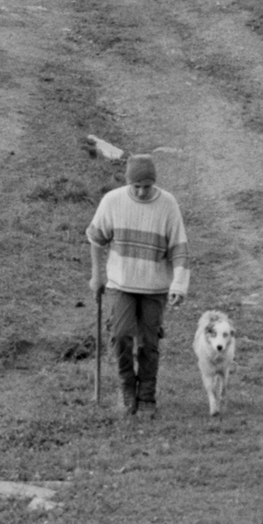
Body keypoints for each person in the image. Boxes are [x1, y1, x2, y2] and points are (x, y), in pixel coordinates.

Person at [86, 153, 188, 414]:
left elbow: (179, 248)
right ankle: (127, 389)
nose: (142, 192)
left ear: (154, 183)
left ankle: (146, 396)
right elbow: (96, 239)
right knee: (120, 335)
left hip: (155, 287)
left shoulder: (168, 204)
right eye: (137, 187)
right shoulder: (113, 201)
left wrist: (178, 283)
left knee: (148, 342)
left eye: (147, 186)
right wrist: (97, 276)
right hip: (121, 283)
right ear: (128, 183)